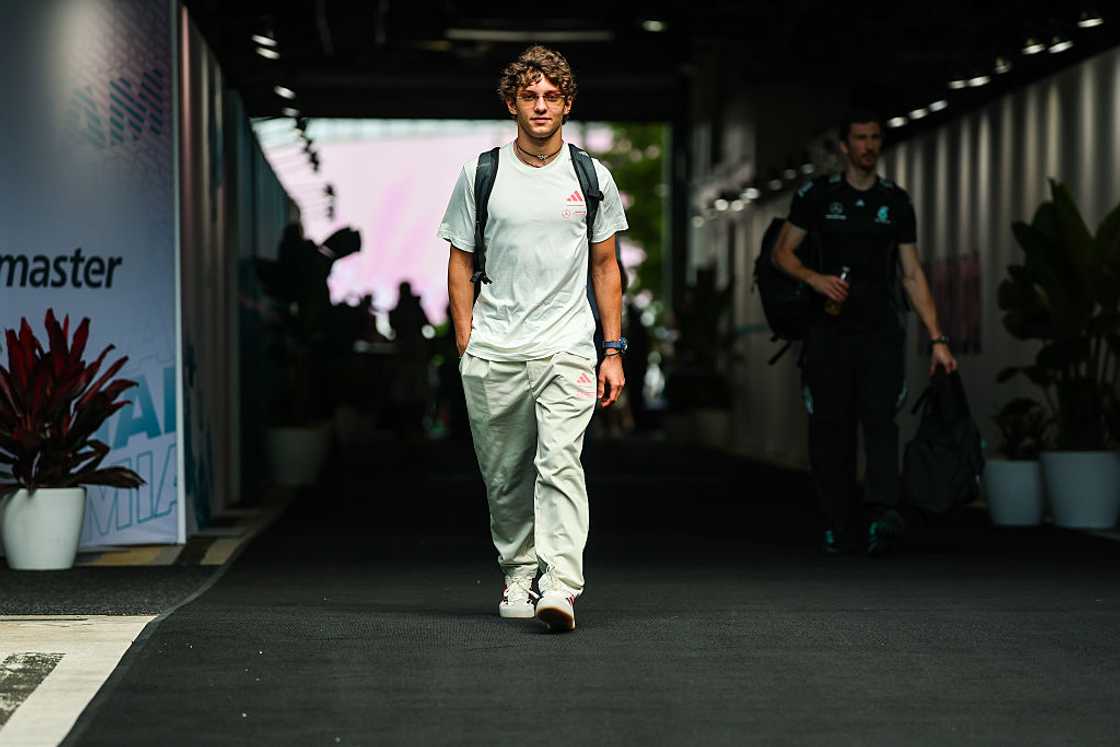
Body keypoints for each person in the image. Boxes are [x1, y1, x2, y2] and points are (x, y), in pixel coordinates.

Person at [438, 45, 628, 632]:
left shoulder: (591, 176)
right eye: (530, 96)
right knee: (505, 473)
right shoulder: (482, 173)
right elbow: (459, 259)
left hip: (567, 344)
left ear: (567, 104)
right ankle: (519, 571)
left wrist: (613, 350)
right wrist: (467, 343)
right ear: (512, 104)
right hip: (496, 347)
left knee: (560, 461)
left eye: (551, 96)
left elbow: (606, 266)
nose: (540, 106)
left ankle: (561, 584)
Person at [772, 109, 958, 557]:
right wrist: (816, 280)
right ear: (845, 146)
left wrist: (937, 338)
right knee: (830, 430)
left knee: (880, 424)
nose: (869, 145)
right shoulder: (818, 195)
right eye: (860, 138)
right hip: (828, 331)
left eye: (875, 137)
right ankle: (837, 522)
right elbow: (783, 254)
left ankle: (880, 518)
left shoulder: (895, 200)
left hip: (880, 330)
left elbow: (911, 272)